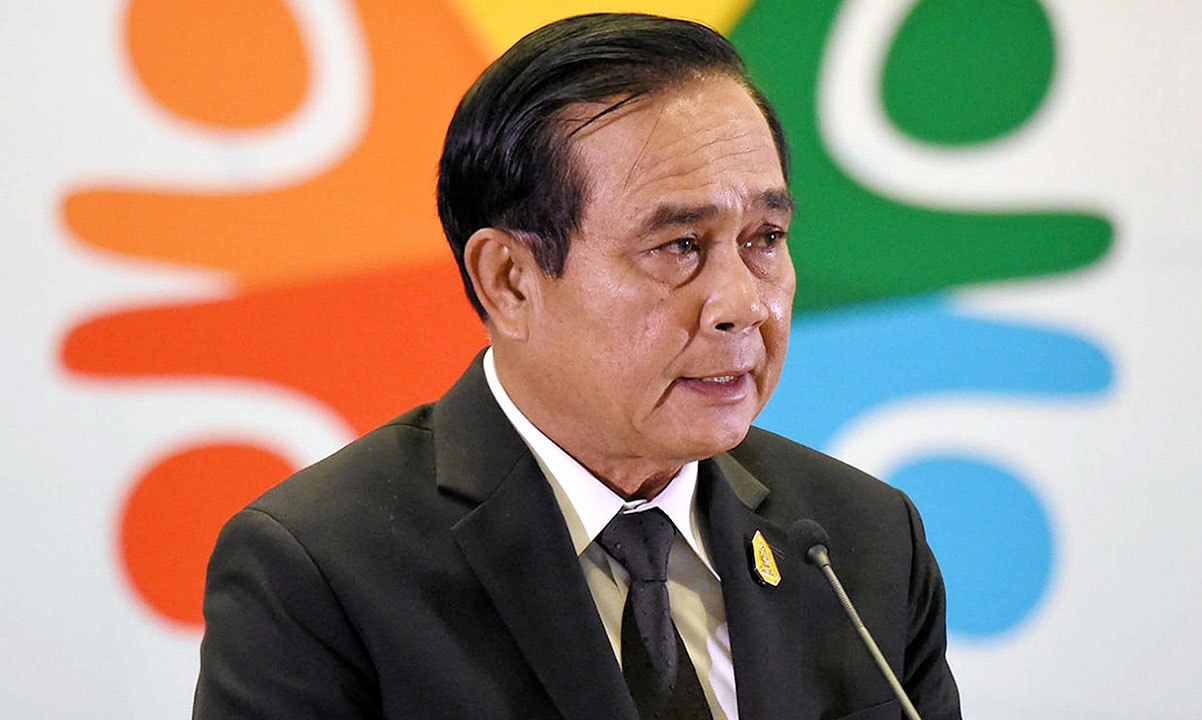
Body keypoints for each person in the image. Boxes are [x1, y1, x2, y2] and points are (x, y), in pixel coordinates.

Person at [193, 13, 961, 720]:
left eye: (764, 238)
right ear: (509, 281)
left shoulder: (863, 543)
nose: (741, 304)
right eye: (679, 246)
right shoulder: (319, 571)